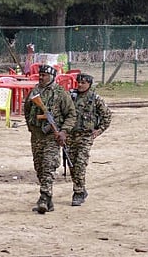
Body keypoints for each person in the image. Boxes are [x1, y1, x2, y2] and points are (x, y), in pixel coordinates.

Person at [23, 64, 76, 214]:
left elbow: (71, 114)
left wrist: (64, 131)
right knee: (39, 167)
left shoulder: (60, 93)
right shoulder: (34, 91)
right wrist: (31, 126)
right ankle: (49, 200)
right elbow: (27, 109)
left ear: (52, 77)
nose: (41, 77)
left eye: (44, 75)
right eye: (40, 75)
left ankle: (44, 198)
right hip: (37, 136)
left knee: (48, 166)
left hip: (52, 137)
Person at [65, 73, 111, 206]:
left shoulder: (95, 98)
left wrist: (99, 130)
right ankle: (81, 187)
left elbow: (107, 115)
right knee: (72, 165)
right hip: (70, 135)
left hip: (85, 136)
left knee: (80, 163)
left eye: (83, 83)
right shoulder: (70, 97)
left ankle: (78, 192)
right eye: (78, 82)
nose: (80, 85)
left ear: (89, 84)